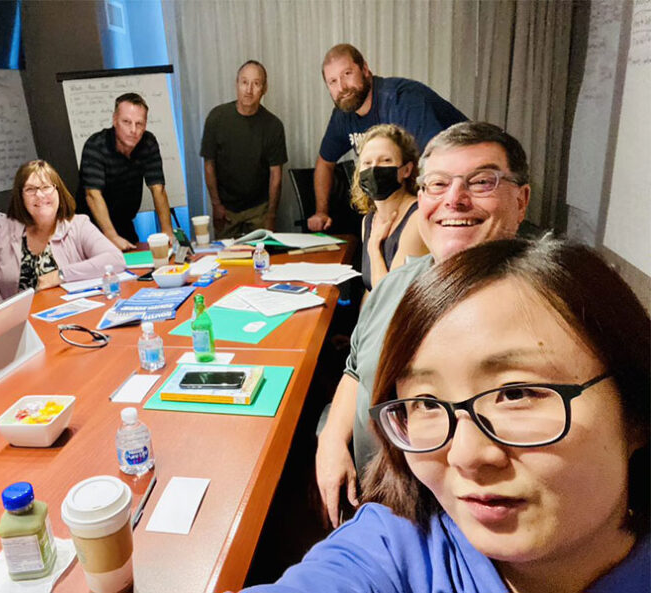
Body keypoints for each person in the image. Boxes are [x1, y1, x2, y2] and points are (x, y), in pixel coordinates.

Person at [241, 237, 650, 593]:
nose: (465, 456)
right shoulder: (394, 547)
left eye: (515, 393)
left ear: (635, 410)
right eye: (425, 403)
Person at [316, 121, 530, 527]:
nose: (455, 199)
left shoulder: (537, 309)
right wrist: (330, 441)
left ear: (521, 200)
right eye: (437, 185)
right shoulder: (394, 286)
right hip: (365, 501)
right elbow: (355, 370)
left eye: (481, 182)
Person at [308, 44, 468, 233]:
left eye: (347, 74)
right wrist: (321, 212)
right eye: (332, 81)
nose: (342, 87)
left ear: (365, 70)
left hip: (467, 181)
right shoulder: (343, 114)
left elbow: (435, 161)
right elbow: (325, 163)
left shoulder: (402, 100)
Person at [0, 160, 127, 308]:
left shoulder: (78, 224)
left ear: (58, 191)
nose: (39, 194)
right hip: (20, 322)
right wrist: (3, 320)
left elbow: (115, 260)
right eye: (30, 189)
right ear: (20, 197)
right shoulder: (2, 228)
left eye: (46, 187)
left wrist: (61, 275)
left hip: (72, 314)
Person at [200, 60, 288, 238]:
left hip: (259, 208)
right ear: (237, 84)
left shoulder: (273, 125)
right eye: (244, 82)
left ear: (264, 88)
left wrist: (271, 215)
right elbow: (209, 164)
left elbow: (276, 176)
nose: (249, 90)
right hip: (226, 207)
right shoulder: (217, 118)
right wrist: (216, 205)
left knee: (263, 258)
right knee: (226, 258)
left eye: (256, 83)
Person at [76, 93, 174, 250]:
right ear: (115, 120)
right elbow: (93, 195)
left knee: (139, 266)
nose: (133, 130)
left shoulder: (148, 143)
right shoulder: (96, 145)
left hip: (124, 221)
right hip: (91, 226)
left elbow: (158, 189)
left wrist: (167, 232)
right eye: (127, 122)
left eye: (139, 124)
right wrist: (112, 237)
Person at [350, 124, 428, 292]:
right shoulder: (369, 221)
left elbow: (387, 297)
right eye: (367, 162)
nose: (374, 169)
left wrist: (374, 249)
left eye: (386, 160)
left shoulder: (418, 218)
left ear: (406, 170)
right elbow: (369, 292)